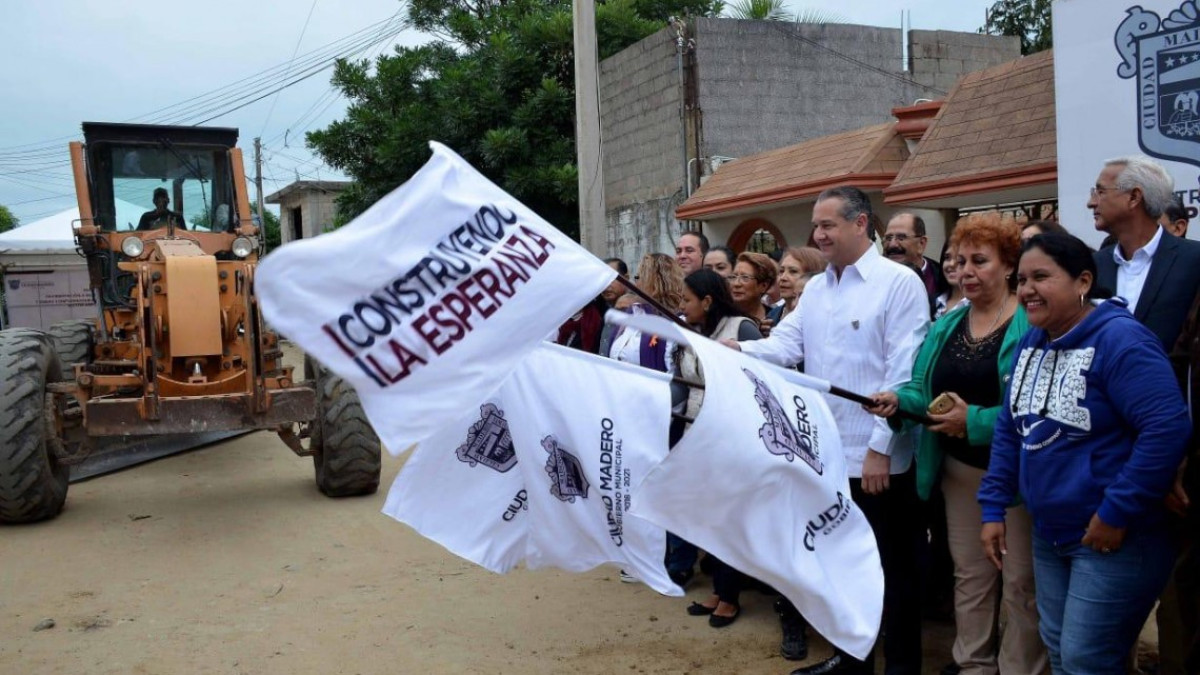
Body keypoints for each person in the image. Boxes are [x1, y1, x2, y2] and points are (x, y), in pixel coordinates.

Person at [725, 185, 930, 675]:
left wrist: (882, 448)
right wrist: (730, 351)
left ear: (861, 224)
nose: (817, 234)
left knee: (893, 576)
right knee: (840, 572)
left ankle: (901, 666)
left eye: (827, 225)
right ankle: (851, 662)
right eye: (815, 226)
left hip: (881, 463)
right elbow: (785, 349)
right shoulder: (817, 290)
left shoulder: (898, 284)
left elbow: (901, 372)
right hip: (828, 459)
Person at [978, 233, 1190, 674]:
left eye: (1041, 277)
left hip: (1113, 537)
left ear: (1083, 281)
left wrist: (1116, 512)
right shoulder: (1031, 342)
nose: (1027, 289)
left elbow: (1165, 428)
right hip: (1049, 532)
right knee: (1062, 652)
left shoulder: (1121, 340)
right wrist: (993, 506)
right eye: (1021, 279)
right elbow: (1009, 428)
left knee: (1085, 659)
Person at [869, 212, 1047, 675]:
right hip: (959, 475)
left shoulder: (1033, 324)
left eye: (979, 261)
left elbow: (1039, 407)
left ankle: (1020, 669)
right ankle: (973, 666)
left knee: (1021, 585)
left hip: (1019, 477)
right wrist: (898, 401)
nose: (965, 271)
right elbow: (923, 389)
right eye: (958, 260)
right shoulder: (948, 323)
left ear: (1009, 266)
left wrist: (977, 422)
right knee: (970, 578)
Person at [675, 269, 763, 628]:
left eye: (686, 300)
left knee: (729, 518)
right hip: (695, 435)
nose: (681, 306)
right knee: (708, 517)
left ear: (707, 301)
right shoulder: (688, 333)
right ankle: (718, 590)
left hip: (732, 438)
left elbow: (760, 386)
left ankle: (730, 596)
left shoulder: (741, 329)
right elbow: (681, 384)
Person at [1090, 155, 1200, 352]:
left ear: (1134, 197)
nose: (1091, 202)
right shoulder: (1092, 266)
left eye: (1100, 191)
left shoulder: (1193, 260)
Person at [608, 252, 684, 371]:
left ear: (656, 283)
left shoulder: (676, 322)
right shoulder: (631, 315)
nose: (635, 283)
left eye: (639, 277)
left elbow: (672, 373)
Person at [884, 212, 947, 311]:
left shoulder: (944, 279)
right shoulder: (873, 278)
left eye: (901, 237)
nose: (892, 244)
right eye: (888, 238)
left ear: (921, 243)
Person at [768, 247, 823, 325]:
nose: (783, 278)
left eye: (793, 271)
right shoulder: (772, 315)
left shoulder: (822, 318)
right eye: (781, 271)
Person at [729, 251, 776, 327]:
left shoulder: (775, 319)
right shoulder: (722, 317)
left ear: (763, 286)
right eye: (733, 277)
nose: (736, 284)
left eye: (745, 277)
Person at [935, 241, 968, 319]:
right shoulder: (933, 302)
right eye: (947, 258)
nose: (952, 264)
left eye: (959, 259)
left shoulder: (979, 305)